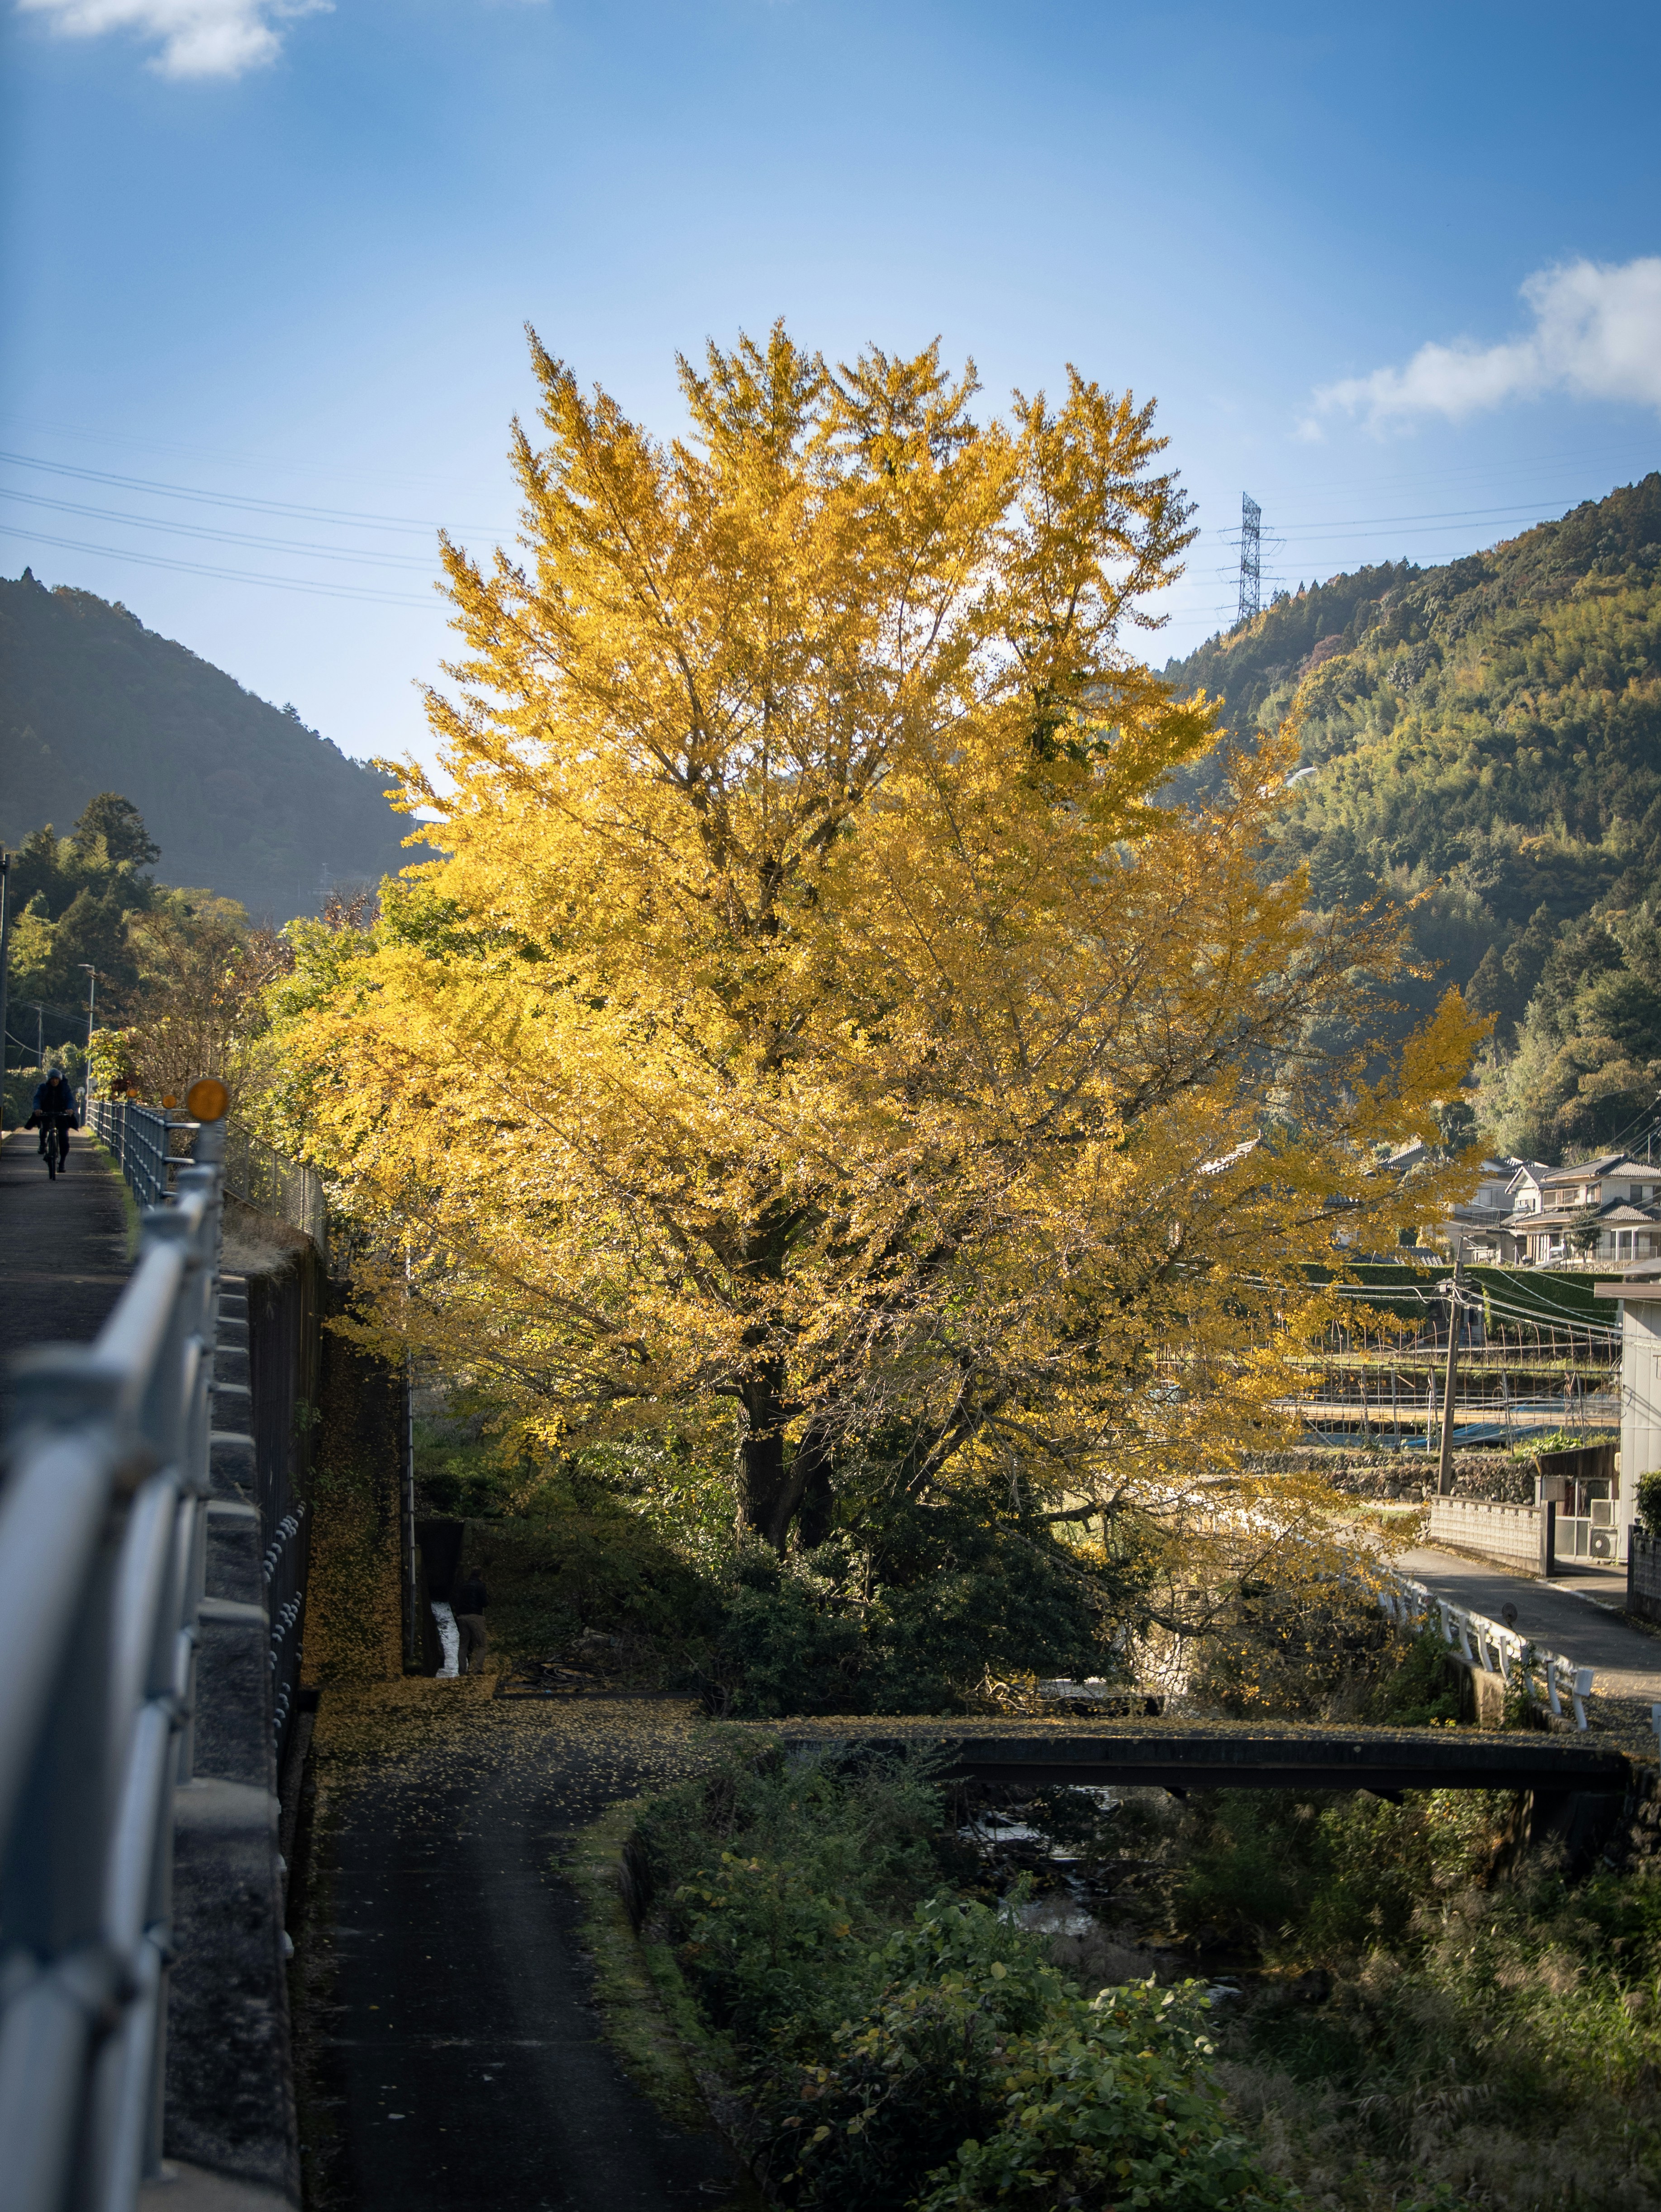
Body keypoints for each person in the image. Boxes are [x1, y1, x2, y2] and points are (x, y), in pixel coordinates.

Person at [29, 1069, 79, 1172]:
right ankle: (43, 1144)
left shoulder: (65, 1088)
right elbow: (37, 1099)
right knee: (44, 1128)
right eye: (52, 1079)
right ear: (49, 1080)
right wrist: (37, 1109)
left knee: (64, 1139)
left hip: (61, 1114)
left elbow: (70, 1099)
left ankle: (62, 1164)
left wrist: (70, 1109)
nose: (54, 1081)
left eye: (56, 1079)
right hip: (46, 1113)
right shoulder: (43, 1088)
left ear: (60, 1080)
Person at [454, 1570, 489, 1675]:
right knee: (483, 1644)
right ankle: (477, 1669)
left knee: (463, 1645)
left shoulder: (463, 1586)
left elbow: (457, 1600)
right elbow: (485, 1603)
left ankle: (462, 1671)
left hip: (462, 1617)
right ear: (481, 1576)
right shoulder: (480, 1586)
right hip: (475, 1617)